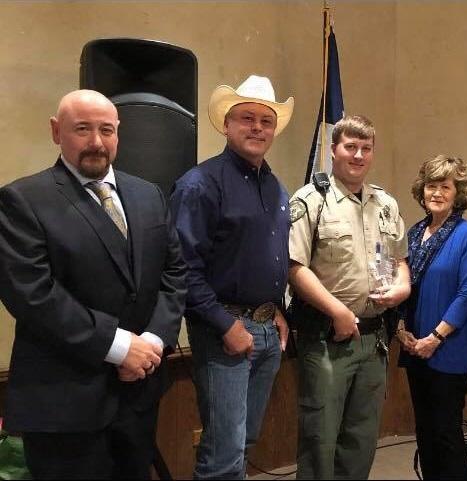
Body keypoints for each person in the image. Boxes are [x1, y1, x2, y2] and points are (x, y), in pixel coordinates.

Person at [0, 89, 186, 479]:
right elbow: (33, 296)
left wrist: (152, 342)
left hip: (138, 395)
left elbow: (173, 274)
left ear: (119, 132)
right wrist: (119, 347)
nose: (97, 142)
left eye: (106, 130)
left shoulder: (148, 195)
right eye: (82, 129)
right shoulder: (21, 200)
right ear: (56, 131)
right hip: (64, 405)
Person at [170, 75, 292, 480]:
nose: (257, 127)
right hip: (224, 331)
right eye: (247, 118)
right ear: (227, 124)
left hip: (268, 329)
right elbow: (183, 269)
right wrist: (226, 326)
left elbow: (272, 259)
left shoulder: (276, 188)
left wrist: (278, 311)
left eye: (266, 121)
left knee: (244, 442)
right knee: (223, 453)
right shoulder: (200, 184)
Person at [288, 114, 411, 480]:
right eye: (350, 147)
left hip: (374, 339)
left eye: (366, 148)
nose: (358, 155)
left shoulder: (385, 204)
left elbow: (400, 261)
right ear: (333, 149)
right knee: (320, 437)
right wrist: (338, 311)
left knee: (361, 437)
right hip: (327, 337)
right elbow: (294, 267)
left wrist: (402, 287)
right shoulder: (311, 200)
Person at [397, 155, 467, 479]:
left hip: (448, 348)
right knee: (425, 431)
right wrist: (401, 329)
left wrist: (436, 337)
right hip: (415, 346)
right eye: (431, 185)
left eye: (444, 186)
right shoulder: (415, 232)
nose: (436, 193)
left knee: (447, 433)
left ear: (457, 192)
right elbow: (404, 285)